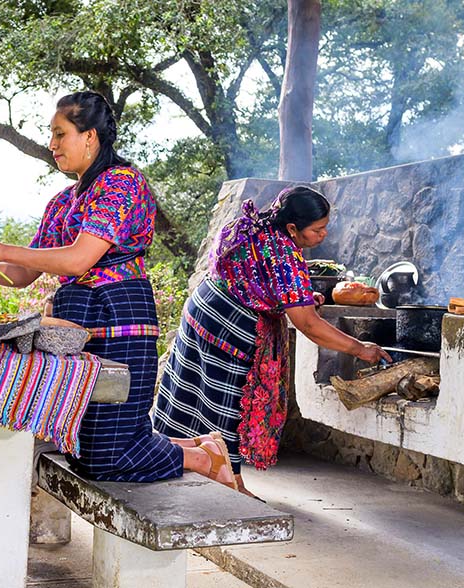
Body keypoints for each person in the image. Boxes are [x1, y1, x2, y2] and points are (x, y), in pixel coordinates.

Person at [0, 91, 237, 488]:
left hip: (119, 317)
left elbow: (78, 260)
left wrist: (2, 247)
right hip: (73, 325)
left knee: (107, 455)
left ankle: (200, 457)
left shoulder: (122, 183)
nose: (52, 145)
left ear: (89, 136)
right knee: (81, 446)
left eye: (60, 134)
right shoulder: (62, 202)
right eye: (51, 135)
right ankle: (199, 448)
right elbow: (22, 274)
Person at [153, 186, 392, 496]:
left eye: (325, 226)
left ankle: (175, 460)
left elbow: (257, 276)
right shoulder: (285, 257)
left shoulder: (253, 226)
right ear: (292, 227)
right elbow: (308, 324)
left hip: (204, 307)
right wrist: (360, 348)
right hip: (230, 325)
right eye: (317, 229)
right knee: (228, 403)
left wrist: (297, 298)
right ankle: (231, 483)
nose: (323, 234)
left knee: (188, 391)